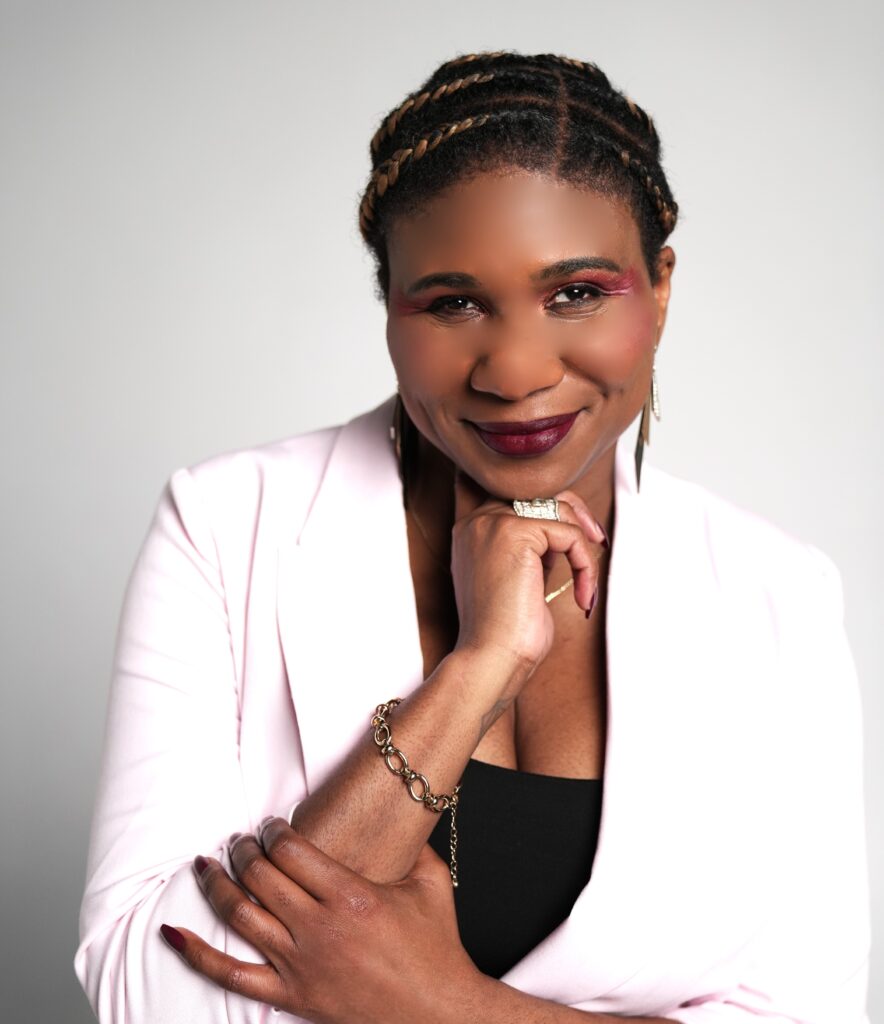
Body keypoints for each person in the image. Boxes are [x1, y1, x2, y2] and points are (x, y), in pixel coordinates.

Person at [75, 51, 871, 1023]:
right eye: (452, 302)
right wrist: (475, 670)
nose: (515, 369)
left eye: (576, 291)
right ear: (388, 310)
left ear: (658, 288)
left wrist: (440, 1003)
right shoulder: (225, 523)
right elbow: (147, 993)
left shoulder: (776, 594)